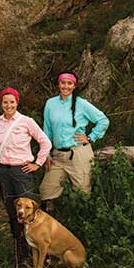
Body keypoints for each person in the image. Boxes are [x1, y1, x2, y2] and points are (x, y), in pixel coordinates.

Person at [0, 87, 52, 267]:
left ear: (17, 103)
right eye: (5, 102)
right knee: (12, 212)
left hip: (22, 172)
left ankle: (41, 254)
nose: (9, 105)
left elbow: (45, 142)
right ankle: (20, 254)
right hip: (4, 172)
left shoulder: (26, 122)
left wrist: (38, 163)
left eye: (12, 102)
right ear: (1, 103)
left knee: (30, 213)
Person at [39, 71, 110, 209]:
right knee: (46, 192)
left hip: (79, 154)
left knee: (83, 193)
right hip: (58, 156)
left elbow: (103, 120)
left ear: (74, 86)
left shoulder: (81, 104)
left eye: (69, 83)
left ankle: (83, 225)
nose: (65, 86)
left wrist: (90, 137)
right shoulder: (50, 104)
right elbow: (46, 131)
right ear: (58, 84)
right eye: (63, 83)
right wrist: (46, 154)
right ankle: (50, 225)